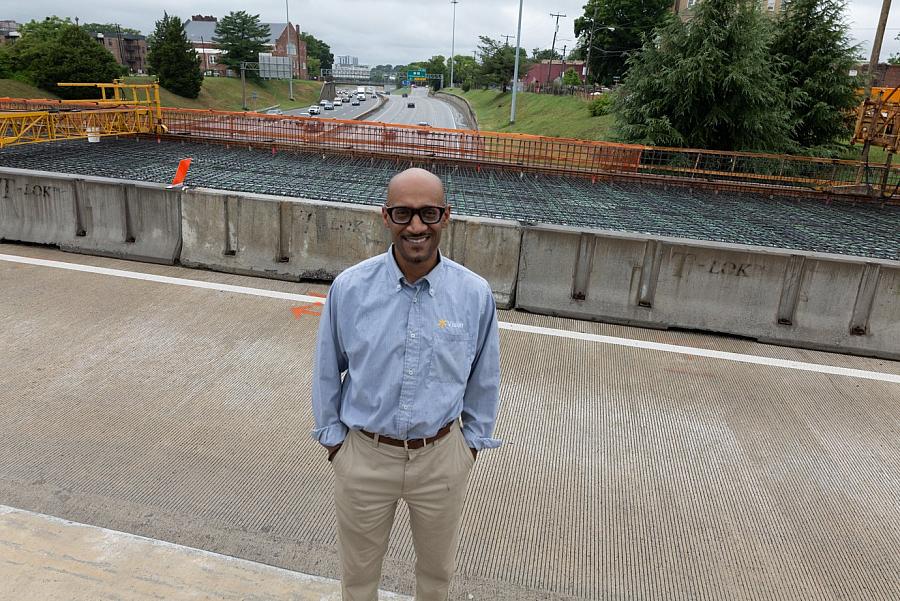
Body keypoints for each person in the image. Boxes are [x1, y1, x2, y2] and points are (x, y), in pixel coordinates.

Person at [312, 167, 501, 601]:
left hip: (441, 459)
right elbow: (327, 369)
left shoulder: (474, 294)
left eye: (428, 213)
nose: (416, 226)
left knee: (437, 578)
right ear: (385, 217)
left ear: (446, 216)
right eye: (403, 213)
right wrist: (336, 444)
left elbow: (483, 379)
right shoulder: (351, 288)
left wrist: (468, 447)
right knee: (358, 580)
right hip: (364, 456)